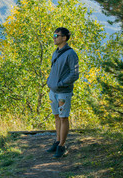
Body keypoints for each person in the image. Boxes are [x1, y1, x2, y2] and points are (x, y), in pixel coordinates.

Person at [46, 27, 79, 158]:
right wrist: (50, 81)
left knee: (63, 117)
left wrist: (61, 84)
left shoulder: (71, 54)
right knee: (56, 117)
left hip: (63, 92)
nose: (54, 37)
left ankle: (62, 146)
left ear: (64, 38)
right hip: (53, 91)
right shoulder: (56, 52)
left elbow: (74, 74)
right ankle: (57, 141)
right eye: (54, 35)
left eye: (56, 35)